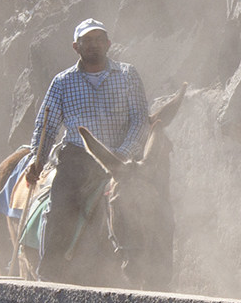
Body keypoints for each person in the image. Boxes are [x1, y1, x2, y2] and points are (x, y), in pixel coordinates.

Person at [24, 18, 149, 281]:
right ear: (76, 47)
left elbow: (139, 119)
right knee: (59, 209)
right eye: (87, 41)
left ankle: (154, 270)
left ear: (108, 44)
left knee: (152, 205)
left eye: (98, 39)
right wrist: (37, 160)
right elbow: (46, 126)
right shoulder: (62, 82)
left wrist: (122, 155)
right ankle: (50, 275)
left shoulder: (128, 75)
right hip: (79, 161)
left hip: (122, 162)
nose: (93, 45)